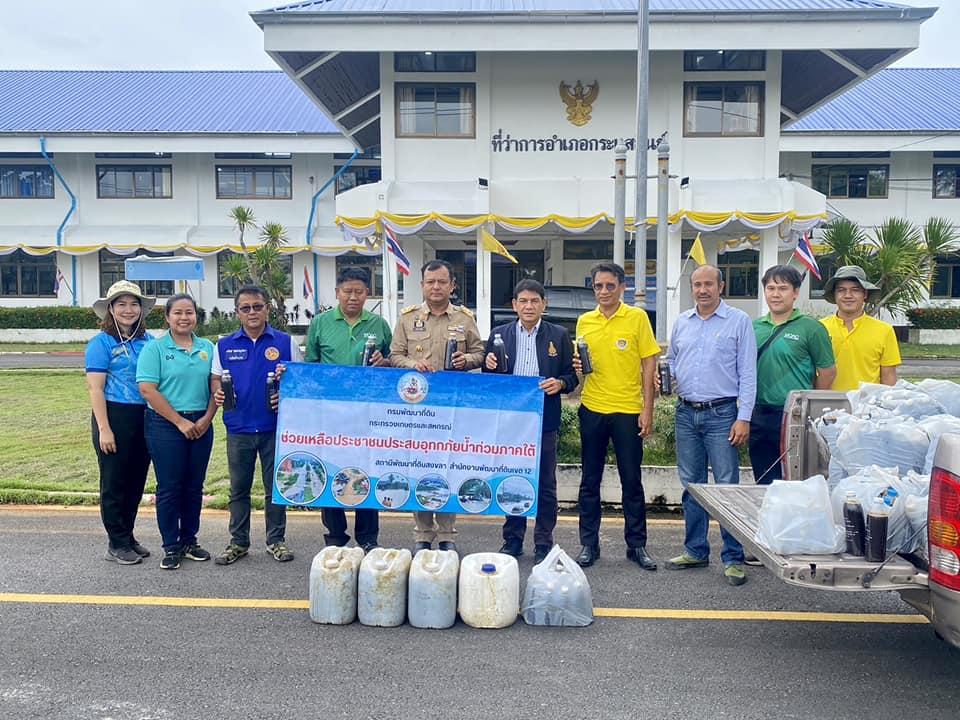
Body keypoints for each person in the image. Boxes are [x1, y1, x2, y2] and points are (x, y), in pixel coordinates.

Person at [664, 265, 756, 587]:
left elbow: (748, 373)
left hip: (723, 415)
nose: (702, 290)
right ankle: (695, 550)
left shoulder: (739, 321)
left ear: (721, 286)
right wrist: (667, 375)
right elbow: (672, 359)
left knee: (726, 488)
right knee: (692, 486)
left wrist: (744, 417)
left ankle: (733, 557)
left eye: (708, 284)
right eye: (697, 285)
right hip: (686, 413)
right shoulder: (682, 322)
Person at [390, 259, 485, 553]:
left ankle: (446, 534)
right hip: (416, 407)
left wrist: (466, 360)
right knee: (419, 467)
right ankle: (422, 533)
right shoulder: (407, 318)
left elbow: (480, 353)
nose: (436, 287)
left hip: (451, 408)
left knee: (446, 468)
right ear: (422, 285)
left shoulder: (465, 319)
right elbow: (394, 355)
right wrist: (412, 364)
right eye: (430, 282)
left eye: (442, 282)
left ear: (452, 286)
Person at [572, 261, 660, 572]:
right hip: (593, 408)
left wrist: (647, 409)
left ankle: (636, 545)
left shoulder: (637, 317)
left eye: (610, 286)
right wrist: (577, 367)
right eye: (599, 286)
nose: (604, 291)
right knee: (589, 481)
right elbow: (582, 364)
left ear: (622, 287)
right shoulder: (584, 321)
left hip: (627, 411)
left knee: (631, 481)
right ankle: (589, 544)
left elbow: (649, 363)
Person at [483, 279, 578, 564]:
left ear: (543, 304)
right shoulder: (499, 334)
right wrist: (489, 366)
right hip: (510, 422)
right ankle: (512, 539)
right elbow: (490, 380)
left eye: (534, 301)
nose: (528, 306)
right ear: (514, 305)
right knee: (512, 479)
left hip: (544, 420)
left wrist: (560, 383)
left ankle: (543, 542)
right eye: (523, 301)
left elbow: (571, 377)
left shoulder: (559, 335)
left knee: (545, 483)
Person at [210, 285, 302, 566]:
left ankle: (276, 541)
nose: (252, 312)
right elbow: (216, 378)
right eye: (245, 308)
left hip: (274, 428)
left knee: (275, 488)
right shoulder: (224, 345)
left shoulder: (286, 342)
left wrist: (286, 393)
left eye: (257, 306)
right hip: (238, 428)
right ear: (237, 312)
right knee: (239, 489)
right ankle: (238, 542)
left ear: (267, 309)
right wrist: (218, 392)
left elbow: (300, 383)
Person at [305, 266, 392, 552]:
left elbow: (393, 361)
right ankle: (335, 536)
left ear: (368, 294)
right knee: (331, 471)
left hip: (368, 413)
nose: (353, 297)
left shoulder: (379, 324)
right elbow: (310, 366)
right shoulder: (320, 323)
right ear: (337, 293)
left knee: (366, 471)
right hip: (330, 413)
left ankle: (367, 537)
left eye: (359, 292)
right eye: (347, 291)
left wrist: (385, 362)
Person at [137, 294, 218, 570]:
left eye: (189, 312)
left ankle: (189, 540)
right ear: (167, 317)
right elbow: (148, 390)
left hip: (201, 422)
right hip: (165, 424)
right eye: (178, 313)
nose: (184, 318)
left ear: (196, 316)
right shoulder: (155, 349)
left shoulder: (208, 347)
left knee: (194, 487)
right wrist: (179, 421)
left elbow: (216, 386)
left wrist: (207, 418)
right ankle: (171, 546)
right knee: (170, 487)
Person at [86, 280, 156, 565]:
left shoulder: (148, 342)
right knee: (114, 482)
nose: (129, 310)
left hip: (144, 415)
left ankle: (127, 535)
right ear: (111, 310)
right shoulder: (101, 343)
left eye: (134, 304)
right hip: (113, 415)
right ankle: (116, 542)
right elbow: (95, 389)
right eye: (122, 304)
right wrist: (104, 429)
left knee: (136, 481)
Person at [750, 265, 836, 484]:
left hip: (794, 416)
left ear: (796, 292)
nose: (776, 294)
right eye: (771, 288)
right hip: (758, 414)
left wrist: (807, 404)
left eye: (783, 288)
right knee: (764, 479)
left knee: (795, 479)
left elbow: (827, 372)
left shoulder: (811, 328)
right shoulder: (753, 327)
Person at [820, 265, 901, 392]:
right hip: (827, 401)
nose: (848, 295)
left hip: (867, 402)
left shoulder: (884, 330)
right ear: (834, 294)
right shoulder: (819, 328)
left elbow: (888, 377)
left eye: (855, 290)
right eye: (841, 290)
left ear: (865, 294)